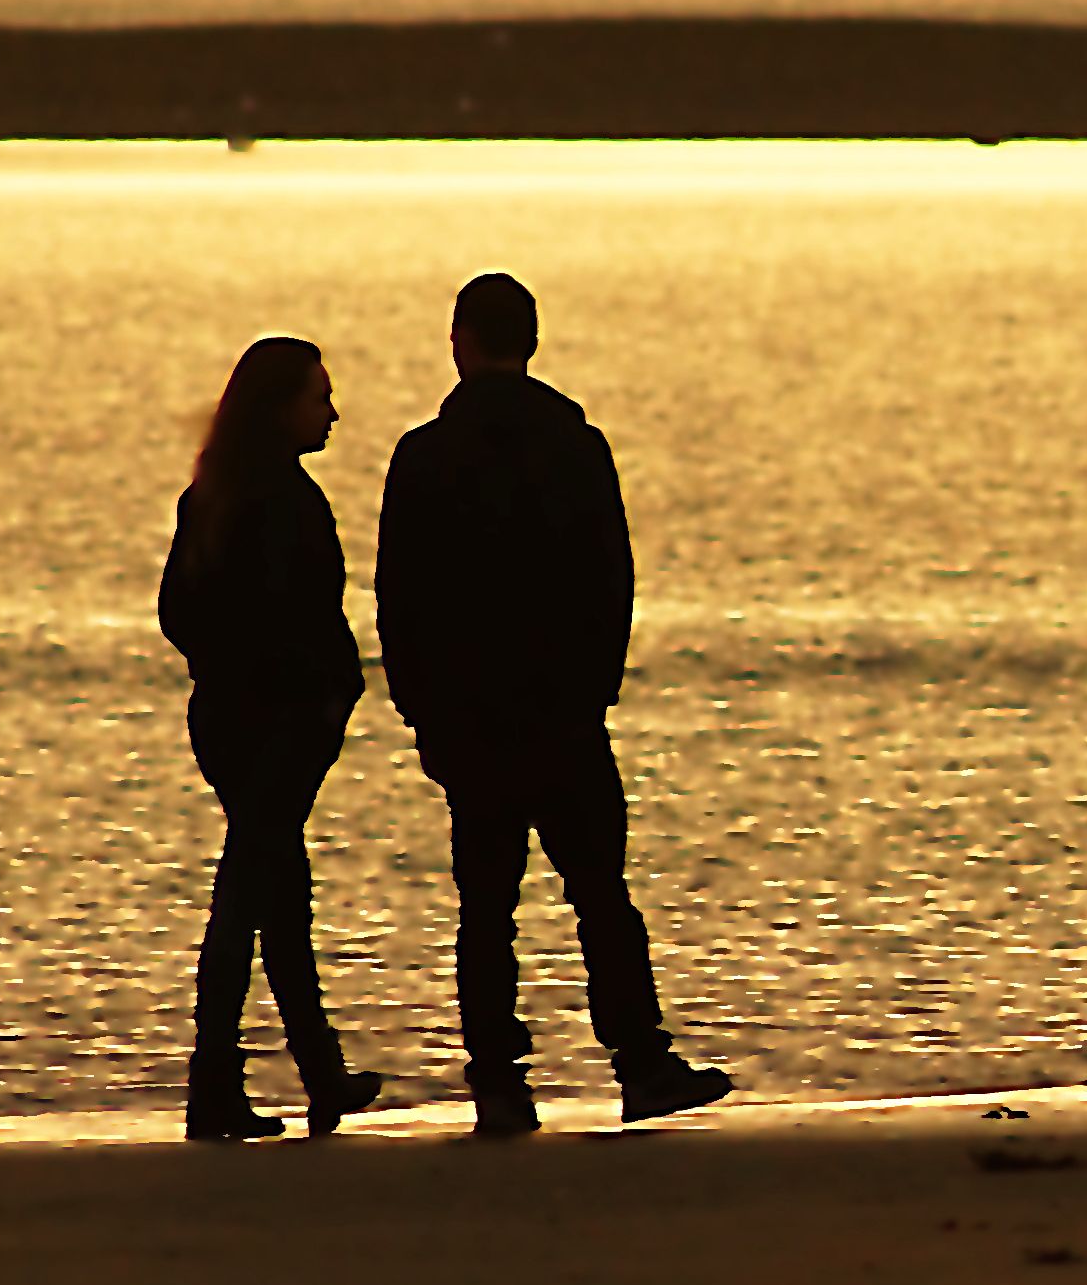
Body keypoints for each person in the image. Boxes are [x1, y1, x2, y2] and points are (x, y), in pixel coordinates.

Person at [376, 273, 732, 1134]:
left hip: (471, 717)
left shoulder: (425, 456)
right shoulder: (577, 446)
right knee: (601, 894)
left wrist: (420, 710)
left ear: (459, 339)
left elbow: (400, 597)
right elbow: (612, 580)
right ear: (530, 342)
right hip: (562, 713)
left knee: (486, 908)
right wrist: (593, 690)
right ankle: (639, 1061)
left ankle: (497, 1079)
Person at [155, 335, 395, 1144]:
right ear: (277, 406)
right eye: (316, 396)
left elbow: (177, 614)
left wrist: (224, 668)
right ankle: (212, 1083)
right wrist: (323, 693)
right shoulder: (286, 502)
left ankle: (319, 1073)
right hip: (277, 721)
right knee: (250, 893)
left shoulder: (213, 493)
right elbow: (309, 619)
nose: (331, 411)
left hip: (227, 717)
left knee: (276, 888)